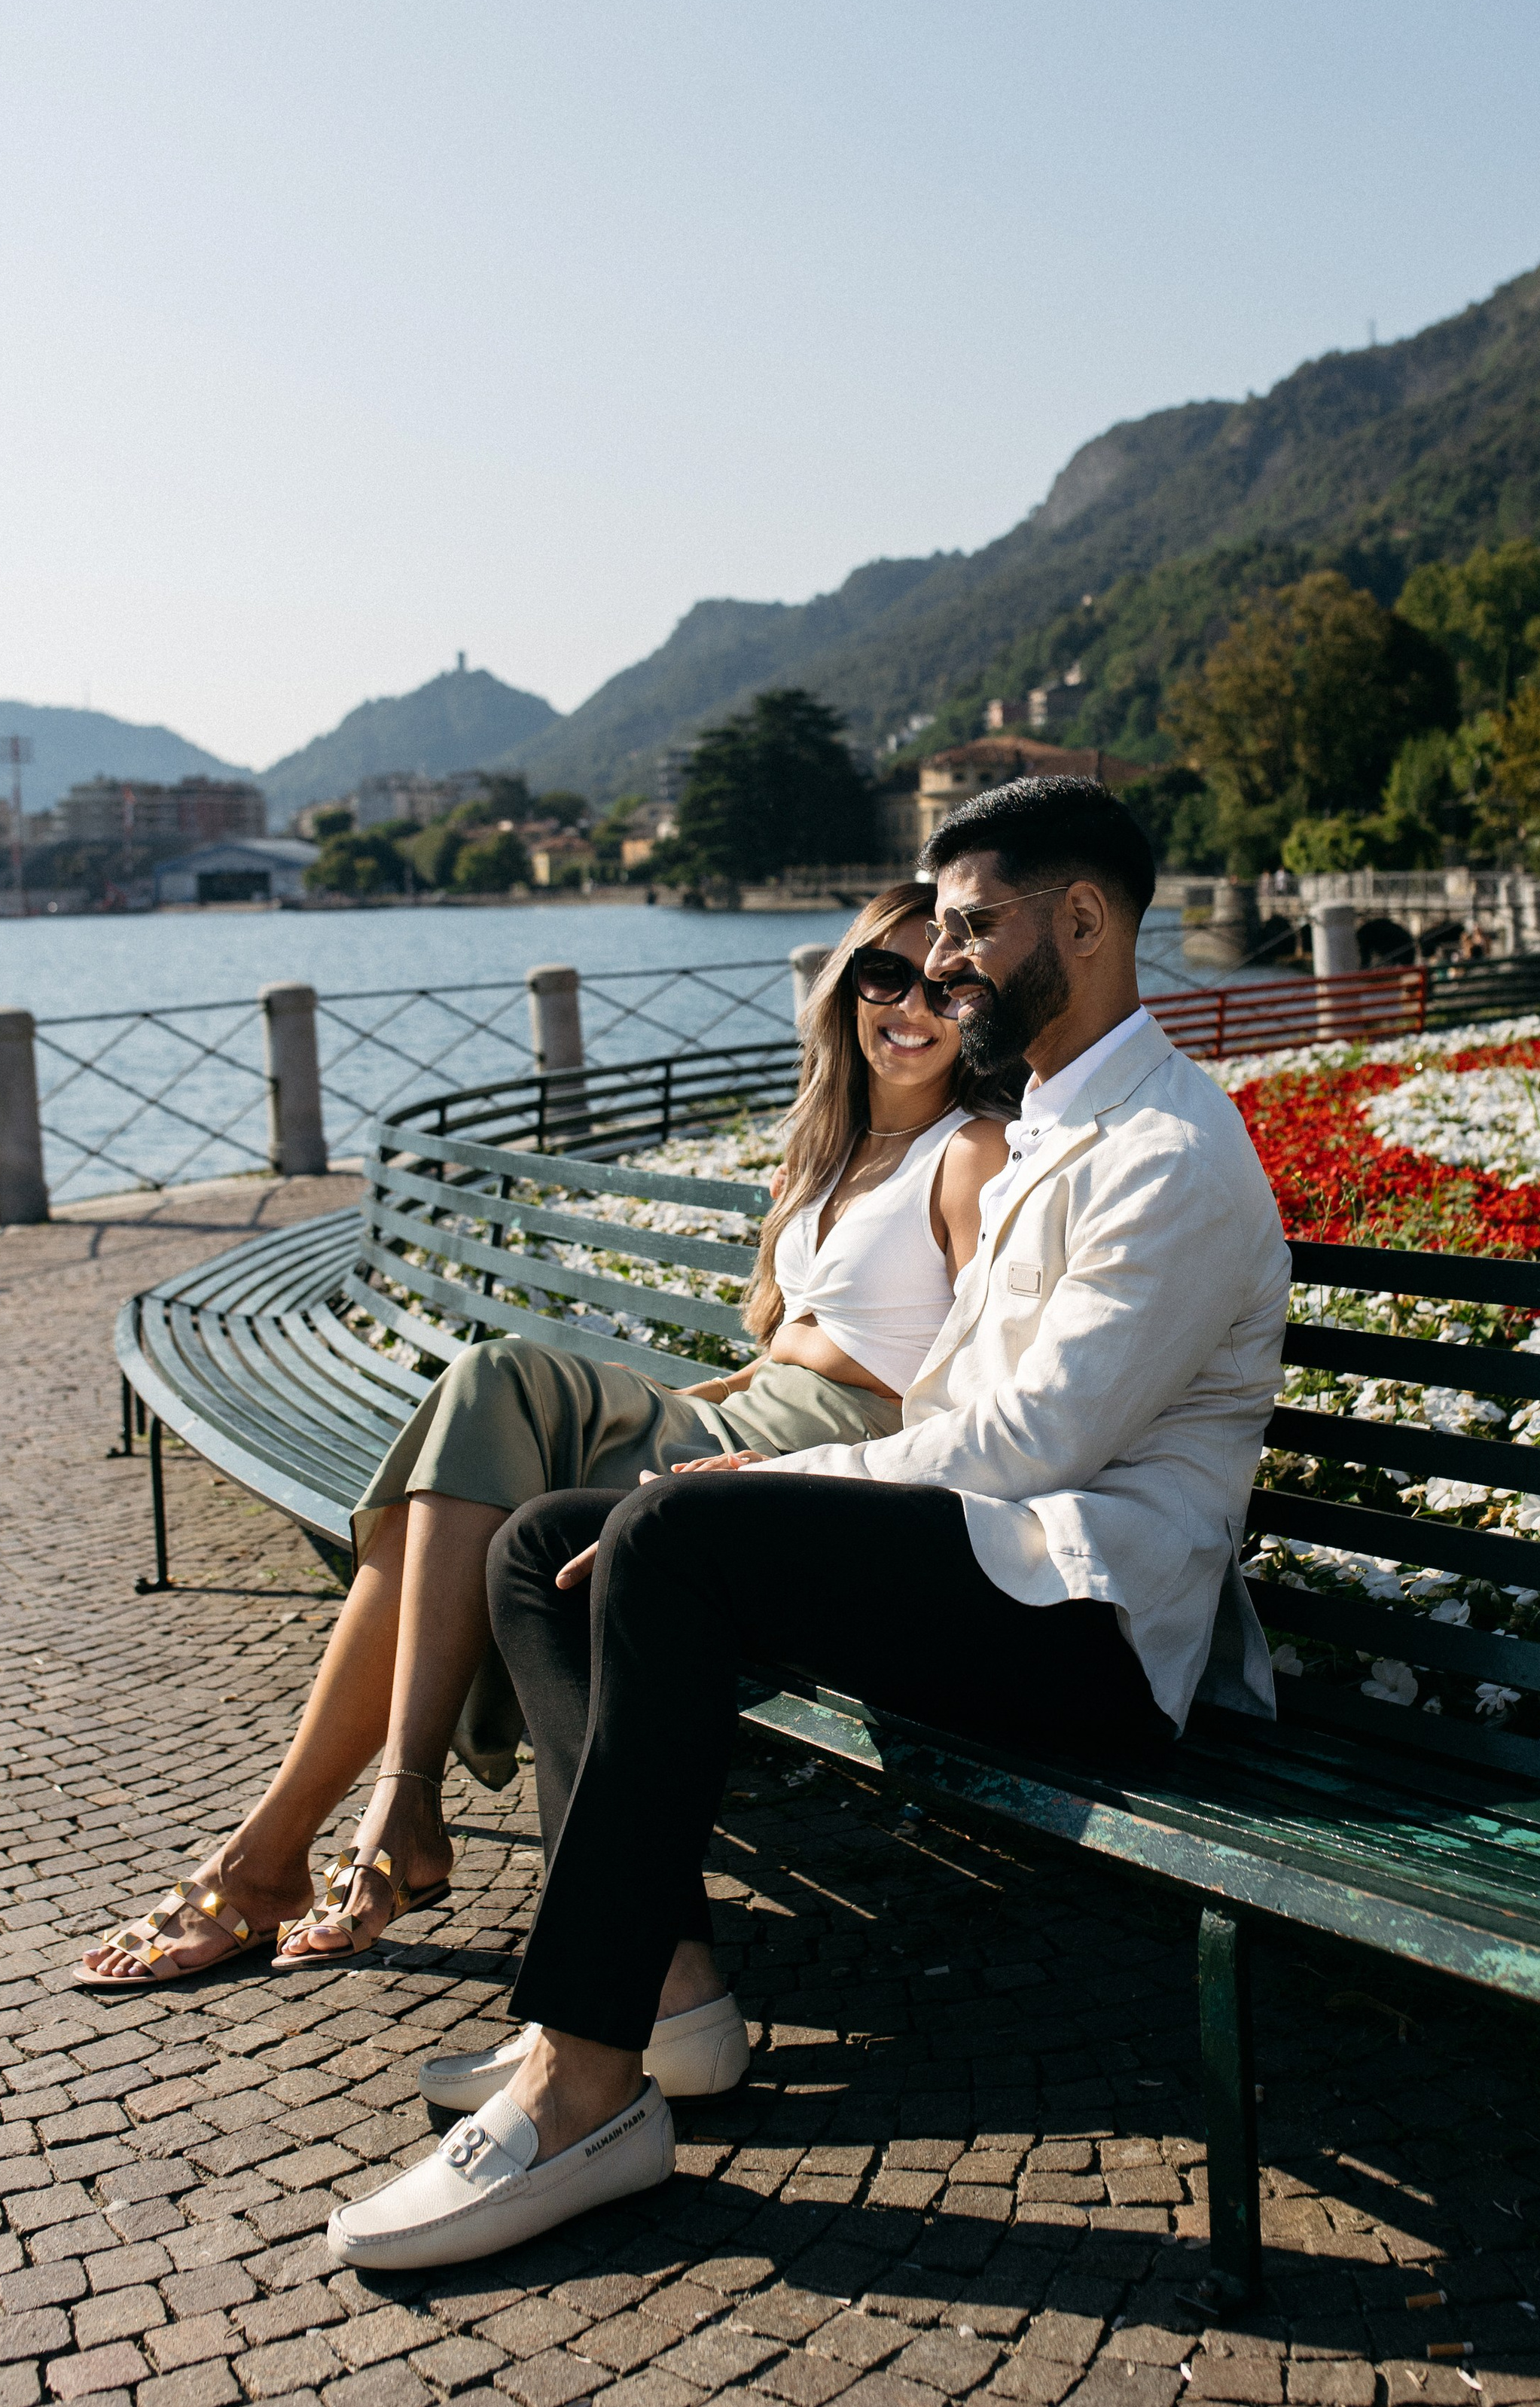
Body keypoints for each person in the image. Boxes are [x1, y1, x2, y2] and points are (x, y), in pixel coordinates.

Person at [330, 773, 1291, 2271]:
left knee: (665, 1535)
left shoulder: (1167, 1154)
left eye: (970, 927)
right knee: (540, 1551)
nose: (946, 964)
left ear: (1085, 923)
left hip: (1093, 1623)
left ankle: (579, 2085)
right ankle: (662, 1998)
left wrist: (767, 1484)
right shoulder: (1052, 1122)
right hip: (989, 1569)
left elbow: (1035, 1447)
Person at [75, 880, 1013, 1994]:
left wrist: (786, 1462)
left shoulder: (972, 1153)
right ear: (846, 989)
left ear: (978, 1006)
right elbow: (796, 1342)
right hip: (734, 1418)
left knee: (484, 1412)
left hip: (813, 1463)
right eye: (883, 975)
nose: (910, 1006)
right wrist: (718, 1389)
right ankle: (340, 1830)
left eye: (944, 986)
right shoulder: (832, 1149)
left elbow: (968, 1391)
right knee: (470, 1455)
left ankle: (311, 1841)